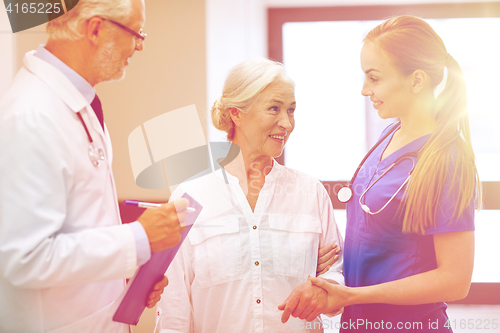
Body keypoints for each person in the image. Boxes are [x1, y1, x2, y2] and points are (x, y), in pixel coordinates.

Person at [279, 15, 479, 332]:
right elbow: (381, 240)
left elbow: (455, 281)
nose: (364, 90)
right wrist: (329, 272)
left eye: (374, 78)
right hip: (360, 323)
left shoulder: (446, 160)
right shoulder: (389, 135)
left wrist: (352, 294)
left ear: (416, 80)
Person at [0, 0, 189, 332]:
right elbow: (25, 259)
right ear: (97, 28)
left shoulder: (78, 103)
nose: (140, 45)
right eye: (137, 32)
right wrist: (138, 238)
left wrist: (126, 271)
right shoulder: (31, 116)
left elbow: (80, 226)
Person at [156, 58, 344, 333]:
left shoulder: (310, 192)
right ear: (237, 114)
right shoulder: (190, 196)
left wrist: (325, 290)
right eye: (274, 109)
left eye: (291, 110)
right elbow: (174, 307)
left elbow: (335, 276)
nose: (287, 123)